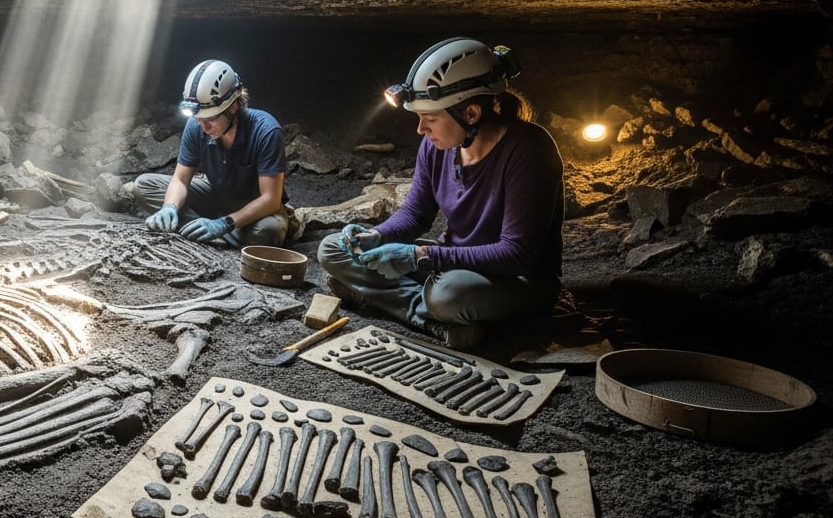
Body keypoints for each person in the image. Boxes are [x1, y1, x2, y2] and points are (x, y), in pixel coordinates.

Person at [317, 37, 564, 351]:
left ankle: (399, 302)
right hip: (452, 264)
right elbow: (417, 214)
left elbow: (516, 256)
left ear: (471, 114)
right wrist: (377, 236)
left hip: (516, 281)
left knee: (447, 295)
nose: (420, 130)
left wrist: (421, 257)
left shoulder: (528, 150)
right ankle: (437, 321)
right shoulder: (438, 147)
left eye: (430, 119)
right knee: (333, 248)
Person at [133, 59, 290, 247]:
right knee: (144, 185)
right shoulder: (197, 125)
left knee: (270, 231)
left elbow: (270, 200)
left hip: (253, 204)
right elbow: (181, 180)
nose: (203, 126)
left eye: (211, 119)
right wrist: (170, 207)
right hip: (214, 193)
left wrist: (224, 223)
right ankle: (202, 229)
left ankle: (201, 228)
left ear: (233, 106)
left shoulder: (266, 130)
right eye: (198, 118)